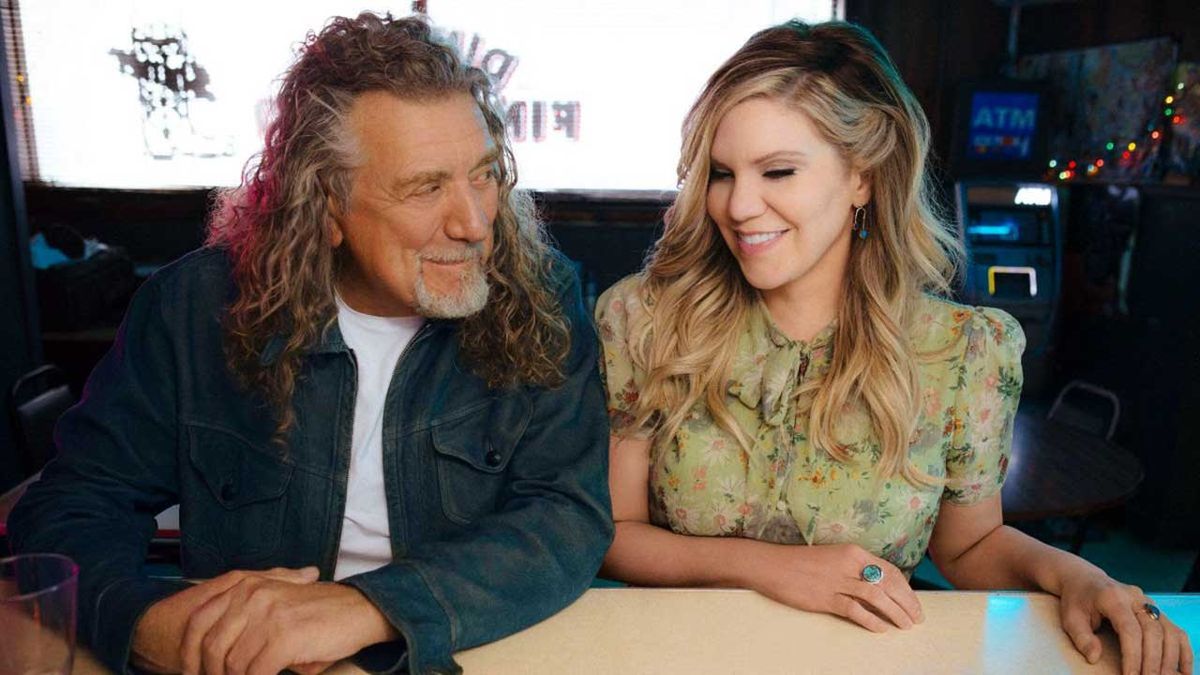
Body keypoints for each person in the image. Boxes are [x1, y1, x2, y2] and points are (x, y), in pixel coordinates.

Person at [9, 12, 612, 675]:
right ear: (326, 205)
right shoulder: (192, 309)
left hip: (467, 650)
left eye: (484, 173)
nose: (475, 221)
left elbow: (566, 516)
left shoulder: (543, 298)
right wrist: (147, 621)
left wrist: (365, 608)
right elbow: (75, 503)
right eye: (426, 187)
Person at [596, 20, 1191, 675]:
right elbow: (616, 536)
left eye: (778, 171)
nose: (738, 205)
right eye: (720, 173)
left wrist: (1074, 575)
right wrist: (778, 570)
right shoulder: (646, 320)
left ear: (864, 176)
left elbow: (971, 547)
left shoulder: (964, 352)